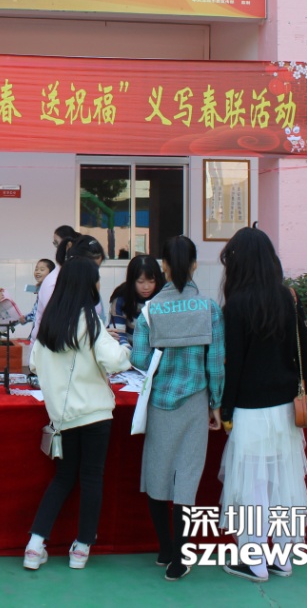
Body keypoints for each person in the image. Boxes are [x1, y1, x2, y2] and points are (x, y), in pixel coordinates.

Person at [24, 258, 132, 571]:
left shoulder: (50, 322)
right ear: (88, 285)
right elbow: (116, 361)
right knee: (92, 479)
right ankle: (82, 549)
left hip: (63, 417)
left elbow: (34, 364)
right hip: (95, 414)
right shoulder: (90, 320)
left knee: (63, 478)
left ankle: (34, 546)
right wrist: (124, 346)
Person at [219, 227, 307, 582]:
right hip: (286, 405)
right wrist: (304, 390)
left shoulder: (236, 305)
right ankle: (284, 557)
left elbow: (234, 365)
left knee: (252, 485)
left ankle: (254, 559)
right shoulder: (287, 297)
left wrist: (226, 409)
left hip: (250, 407)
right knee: (282, 480)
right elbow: (305, 352)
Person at [130, 235, 224, 582]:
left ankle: (165, 548)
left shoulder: (150, 311)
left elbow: (139, 359)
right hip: (196, 401)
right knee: (187, 477)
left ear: (164, 267)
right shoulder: (209, 309)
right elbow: (216, 364)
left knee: (157, 473)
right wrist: (216, 404)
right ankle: (180, 558)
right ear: (195, 265)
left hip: (160, 402)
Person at [31, 235, 106, 343]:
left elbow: (97, 316)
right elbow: (60, 329)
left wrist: (102, 333)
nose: (94, 273)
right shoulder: (54, 284)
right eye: (92, 268)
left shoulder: (85, 282)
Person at [108, 255, 166, 346]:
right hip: (128, 349)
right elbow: (119, 335)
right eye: (140, 282)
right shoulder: (121, 299)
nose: (146, 287)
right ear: (132, 281)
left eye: (151, 281)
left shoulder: (164, 296)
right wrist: (130, 353)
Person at [23, 258, 55, 325]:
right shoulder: (42, 289)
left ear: (51, 273)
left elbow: (38, 314)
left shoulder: (49, 290)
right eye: (36, 269)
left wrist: (25, 319)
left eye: (42, 270)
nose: (37, 272)